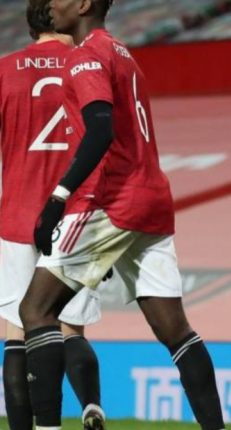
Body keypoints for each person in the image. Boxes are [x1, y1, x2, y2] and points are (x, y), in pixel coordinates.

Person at [19, 1, 226, 429]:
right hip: (152, 200)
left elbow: (100, 129)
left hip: (109, 199)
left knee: (35, 310)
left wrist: (58, 198)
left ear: (83, 4)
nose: (51, 4)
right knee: (177, 332)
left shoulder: (85, 55)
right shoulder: (122, 53)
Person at [0, 1, 104, 428]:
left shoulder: (5, 69)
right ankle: (91, 404)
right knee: (70, 327)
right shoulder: (87, 64)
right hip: (75, 214)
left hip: (17, 213)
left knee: (16, 329)